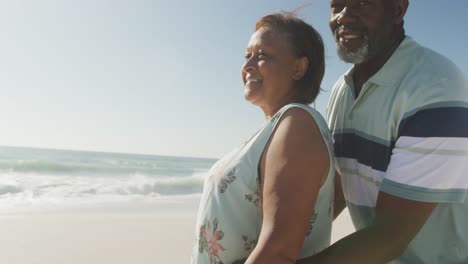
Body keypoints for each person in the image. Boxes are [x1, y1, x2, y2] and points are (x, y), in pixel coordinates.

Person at [299, 0, 468, 263]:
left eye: (361, 3)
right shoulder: (342, 90)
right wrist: (275, 243)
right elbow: (342, 184)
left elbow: (390, 236)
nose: (343, 17)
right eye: (336, 5)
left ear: (398, 9)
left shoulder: (435, 86)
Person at [191, 12, 335, 264]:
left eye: (262, 56)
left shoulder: (297, 124)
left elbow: (278, 252)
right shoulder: (277, 127)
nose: (247, 66)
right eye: (247, 56)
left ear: (298, 68)